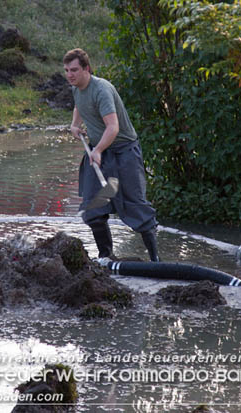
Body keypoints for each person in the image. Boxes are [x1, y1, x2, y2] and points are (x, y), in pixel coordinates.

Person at [63, 48, 159, 261]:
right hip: (101, 151)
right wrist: (75, 124)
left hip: (124, 153)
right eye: (67, 70)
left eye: (75, 70)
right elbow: (79, 105)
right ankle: (107, 257)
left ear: (86, 69)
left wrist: (97, 150)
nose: (70, 75)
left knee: (136, 207)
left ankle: (156, 261)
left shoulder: (102, 90)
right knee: (93, 207)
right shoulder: (76, 88)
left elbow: (113, 127)